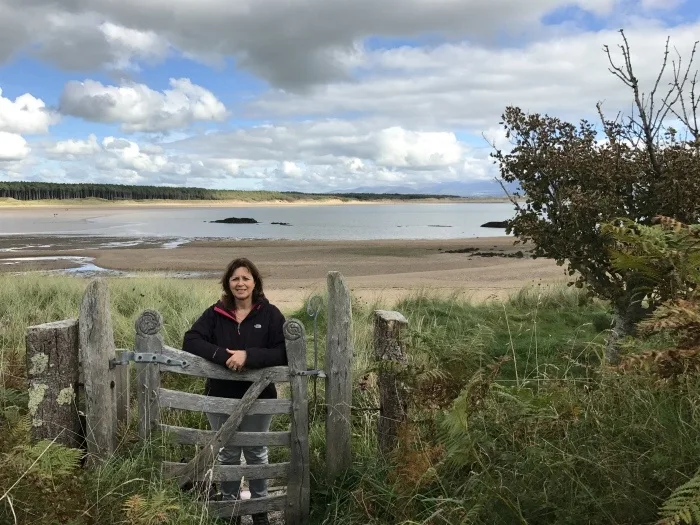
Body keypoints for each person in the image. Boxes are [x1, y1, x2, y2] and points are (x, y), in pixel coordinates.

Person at [183, 257, 287, 525]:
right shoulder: (216, 313)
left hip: (260, 396)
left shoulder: (270, 314)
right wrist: (221, 355)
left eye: (245, 278)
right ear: (228, 284)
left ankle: (259, 507)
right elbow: (191, 340)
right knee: (227, 452)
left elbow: (284, 351)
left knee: (256, 451)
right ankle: (230, 509)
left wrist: (247, 356)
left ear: (255, 283)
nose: (240, 283)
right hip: (220, 394)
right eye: (235, 279)